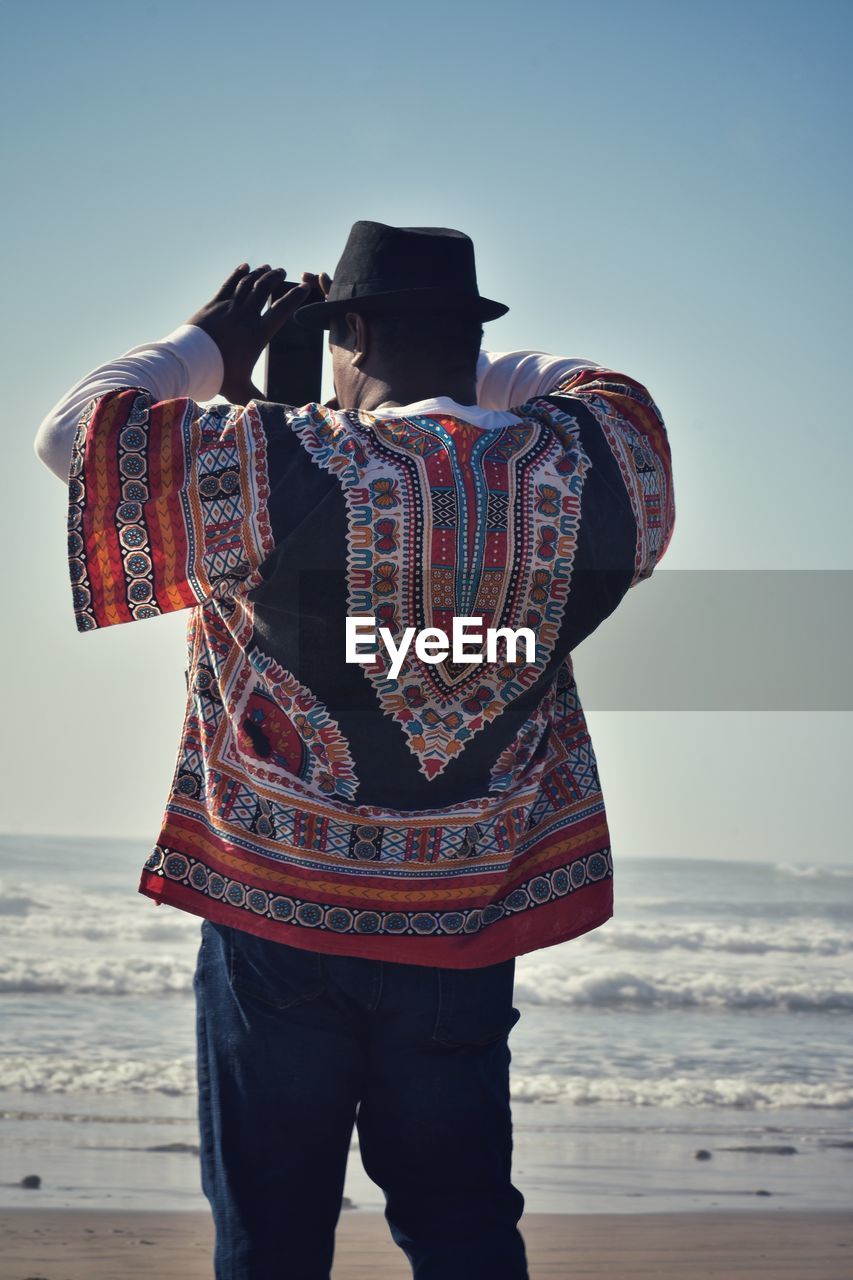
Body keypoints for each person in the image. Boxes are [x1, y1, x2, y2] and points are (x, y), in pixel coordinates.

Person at [33, 220, 675, 1280]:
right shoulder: (582, 475)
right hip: (460, 917)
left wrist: (206, 339)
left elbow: (79, 435)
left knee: (271, 1238)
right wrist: (462, 364)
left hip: (275, 913)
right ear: (468, 341)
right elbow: (604, 391)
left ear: (354, 331)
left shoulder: (281, 463)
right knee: (463, 1225)